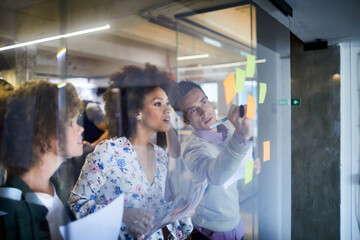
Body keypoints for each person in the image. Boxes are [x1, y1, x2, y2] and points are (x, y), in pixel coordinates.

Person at [68, 64, 192, 240]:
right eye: (158, 104)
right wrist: (121, 214)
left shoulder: (160, 156)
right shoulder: (109, 152)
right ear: (137, 112)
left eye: (167, 103)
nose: (167, 109)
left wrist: (181, 212)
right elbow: (76, 204)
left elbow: (157, 212)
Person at [171, 80, 260, 240]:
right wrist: (241, 138)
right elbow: (216, 175)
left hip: (235, 222)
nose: (204, 111)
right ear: (185, 120)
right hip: (210, 231)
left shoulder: (230, 128)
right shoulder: (192, 149)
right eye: (193, 110)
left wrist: (250, 166)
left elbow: (234, 170)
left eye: (204, 102)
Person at [0, 80, 84, 240]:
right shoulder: (10, 207)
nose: (81, 129)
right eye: (69, 123)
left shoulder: (54, 188)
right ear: (42, 136)